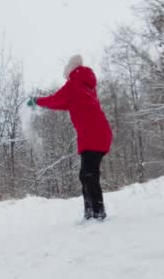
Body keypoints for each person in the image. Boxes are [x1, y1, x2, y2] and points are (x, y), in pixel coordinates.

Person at [27, 55, 113, 220]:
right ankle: (91, 213)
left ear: (70, 72)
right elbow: (62, 103)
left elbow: (55, 99)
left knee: (89, 175)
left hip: (92, 135)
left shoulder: (73, 85)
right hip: (101, 133)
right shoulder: (86, 87)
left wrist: (37, 101)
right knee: (87, 175)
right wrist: (44, 104)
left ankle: (98, 214)